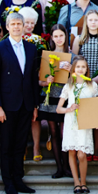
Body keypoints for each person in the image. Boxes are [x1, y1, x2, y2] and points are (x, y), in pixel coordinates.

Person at [0, 12, 40, 194]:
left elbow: (33, 79)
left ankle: (19, 179)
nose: (17, 27)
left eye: (20, 23)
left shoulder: (31, 48)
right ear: (7, 27)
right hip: (7, 106)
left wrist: (34, 105)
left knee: (20, 144)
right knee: (7, 144)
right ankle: (8, 181)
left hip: (26, 104)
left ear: (24, 26)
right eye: (14, 24)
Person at [56, 56, 98, 194]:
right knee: (72, 151)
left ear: (87, 69)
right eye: (78, 67)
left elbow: (96, 107)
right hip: (71, 122)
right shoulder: (68, 86)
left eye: (83, 67)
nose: (81, 69)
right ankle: (76, 182)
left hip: (85, 122)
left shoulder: (92, 86)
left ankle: (84, 182)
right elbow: (58, 109)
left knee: (82, 154)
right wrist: (69, 108)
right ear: (73, 69)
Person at [72, 10, 98, 161]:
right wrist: (84, 79)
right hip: (83, 82)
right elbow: (75, 62)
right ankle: (86, 149)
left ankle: (96, 150)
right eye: (90, 20)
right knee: (85, 116)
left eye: (96, 20)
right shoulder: (79, 40)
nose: (93, 23)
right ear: (86, 22)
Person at [37, 24, 74, 178]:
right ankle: (59, 167)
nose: (59, 39)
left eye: (61, 35)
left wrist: (71, 70)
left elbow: (79, 77)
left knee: (65, 132)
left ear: (66, 36)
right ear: (52, 38)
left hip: (65, 97)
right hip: (50, 96)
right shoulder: (47, 55)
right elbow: (40, 81)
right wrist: (47, 80)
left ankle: (68, 167)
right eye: (56, 36)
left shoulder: (72, 54)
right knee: (53, 132)